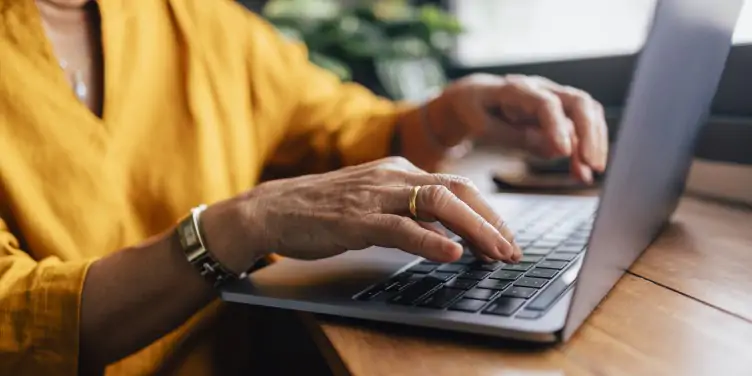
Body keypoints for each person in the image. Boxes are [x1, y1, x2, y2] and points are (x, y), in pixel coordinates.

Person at [0, 0, 608, 374]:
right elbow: (14, 320)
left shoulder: (202, 21)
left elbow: (342, 131)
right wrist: (244, 222)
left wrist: (453, 114)